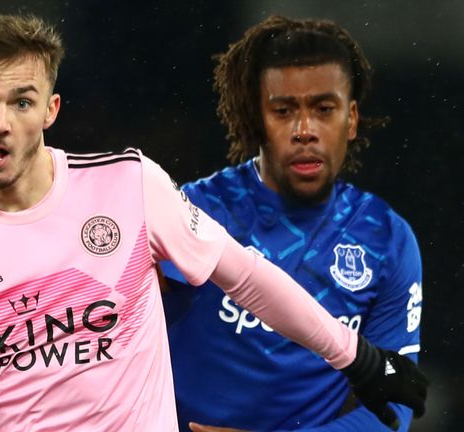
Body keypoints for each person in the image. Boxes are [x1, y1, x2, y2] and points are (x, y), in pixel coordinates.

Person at [0, 14, 427, 431]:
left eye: (20, 101)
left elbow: (245, 275)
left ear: (50, 109)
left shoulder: (130, 185)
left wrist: (357, 356)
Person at [161, 15, 425, 432]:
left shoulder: (386, 240)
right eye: (284, 111)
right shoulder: (195, 210)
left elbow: (396, 408)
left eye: (324, 109)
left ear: (351, 119)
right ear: (256, 119)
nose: (305, 131)